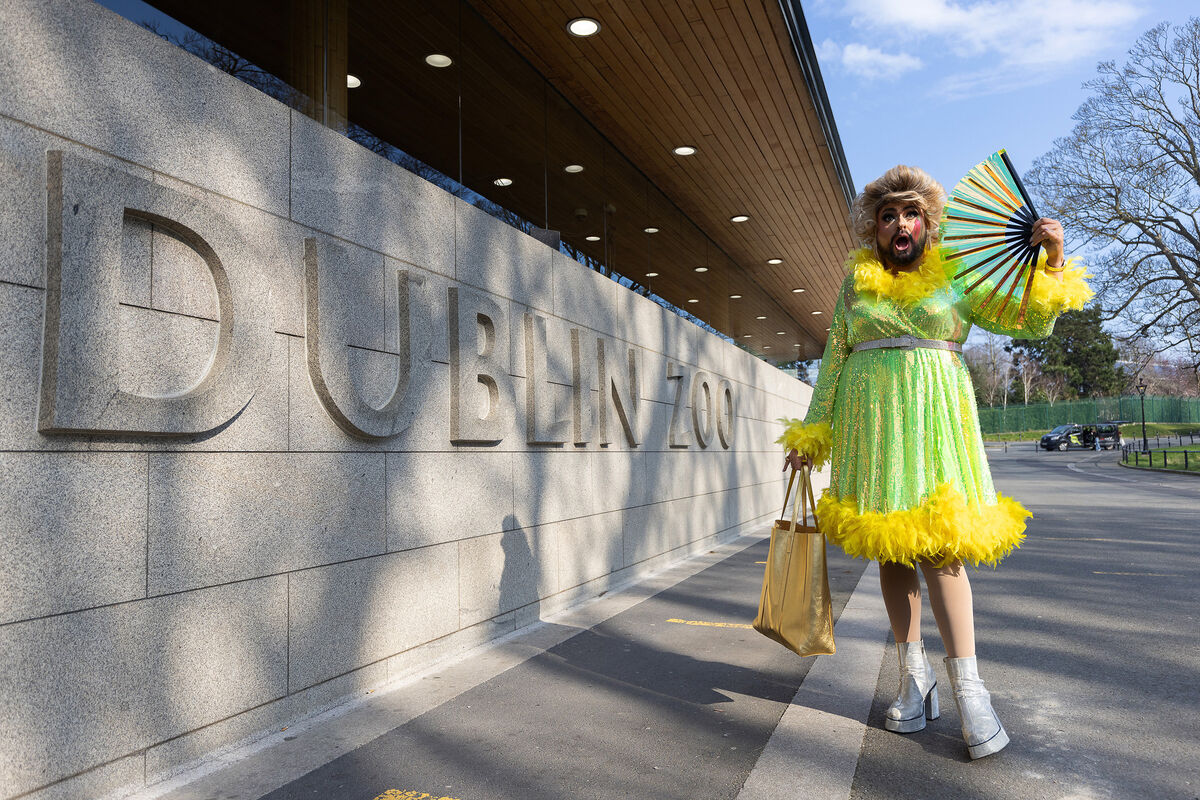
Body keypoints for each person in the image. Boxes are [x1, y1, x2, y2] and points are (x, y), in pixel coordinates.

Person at [778, 165, 1092, 759]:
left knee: (942, 549)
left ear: (928, 223)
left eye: (911, 213)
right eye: (888, 215)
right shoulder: (855, 286)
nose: (900, 224)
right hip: (875, 430)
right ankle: (913, 677)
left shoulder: (957, 273)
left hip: (937, 424)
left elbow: (1026, 320)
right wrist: (812, 434)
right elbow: (836, 358)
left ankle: (971, 691)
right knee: (893, 549)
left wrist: (1052, 259)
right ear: (873, 227)